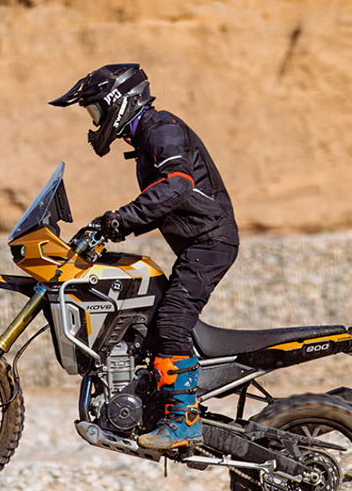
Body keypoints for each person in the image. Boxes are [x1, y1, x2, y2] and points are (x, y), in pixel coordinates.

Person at [50, 63, 239, 450]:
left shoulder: (162, 129)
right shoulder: (149, 138)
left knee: (171, 322)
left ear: (119, 102)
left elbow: (176, 186)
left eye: (96, 111)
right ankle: (150, 400)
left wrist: (121, 219)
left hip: (210, 243)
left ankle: (184, 420)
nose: (95, 122)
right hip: (200, 241)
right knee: (150, 321)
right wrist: (109, 228)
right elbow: (165, 202)